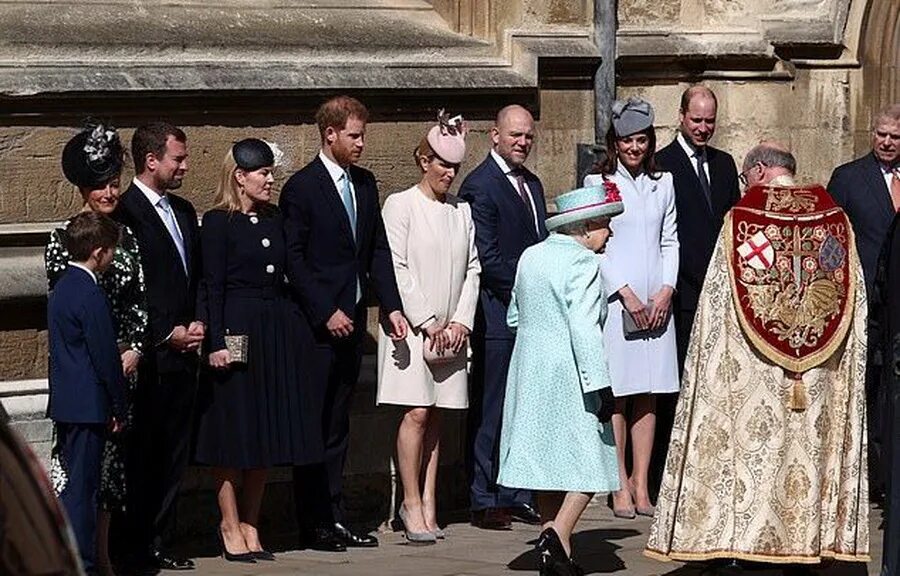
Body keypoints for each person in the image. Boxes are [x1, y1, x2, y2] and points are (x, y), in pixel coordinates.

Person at [646, 149, 869, 569]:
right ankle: (812, 539)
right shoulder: (834, 220)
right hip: (821, 371)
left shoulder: (744, 223)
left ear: (761, 171)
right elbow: (854, 297)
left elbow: (719, 306)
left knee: (755, 454)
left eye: (747, 178)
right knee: (810, 451)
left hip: (756, 369)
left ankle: (748, 539)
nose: (745, 187)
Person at [280, 95, 408, 552]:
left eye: (363, 135)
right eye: (354, 135)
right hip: (316, 329)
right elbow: (293, 258)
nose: (361, 143)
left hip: (352, 323)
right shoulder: (302, 188)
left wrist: (390, 306)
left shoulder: (366, 184)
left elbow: (376, 250)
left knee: (339, 426)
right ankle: (312, 521)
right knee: (313, 427)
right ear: (329, 134)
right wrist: (324, 309)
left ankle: (335, 516)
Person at [193, 139, 323, 563]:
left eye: (271, 172)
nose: (270, 179)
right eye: (263, 173)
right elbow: (211, 285)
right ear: (240, 177)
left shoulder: (273, 219)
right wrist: (215, 343)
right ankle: (229, 523)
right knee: (236, 429)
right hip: (236, 328)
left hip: (272, 330)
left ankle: (252, 522)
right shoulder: (218, 222)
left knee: (264, 429)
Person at [497, 184, 622, 576]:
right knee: (593, 459)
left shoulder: (530, 256)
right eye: (606, 225)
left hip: (530, 369)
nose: (610, 233)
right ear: (584, 228)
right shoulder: (583, 263)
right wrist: (599, 384)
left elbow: (513, 317)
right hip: (570, 369)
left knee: (545, 461)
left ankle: (557, 551)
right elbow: (584, 329)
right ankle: (557, 534)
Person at [45, 123, 147, 576]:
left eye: (113, 183)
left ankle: (104, 553)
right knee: (83, 474)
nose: (109, 192)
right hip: (92, 370)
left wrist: (137, 348)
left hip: (125, 364)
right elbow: (74, 310)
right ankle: (86, 558)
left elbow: (141, 298)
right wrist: (111, 356)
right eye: (100, 185)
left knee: (113, 473)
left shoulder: (128, 236)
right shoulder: (66, 240)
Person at [377, 112, 481, 543]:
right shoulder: (400, 204)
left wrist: (460, 320)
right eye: (441, 164)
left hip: (451, 330)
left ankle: (431, 500)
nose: (448, 173)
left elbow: (473, 269)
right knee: (416, 411)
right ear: (424, 161)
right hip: (413, 328)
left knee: (437, 416)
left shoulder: (462, 211)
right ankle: (410, 502)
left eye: (455, 166)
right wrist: (426, 319)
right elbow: (396, 266)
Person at [113, 122, 203, 571]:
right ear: (152, 161)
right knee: (143, 455)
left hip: (187, 357)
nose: (185, 166)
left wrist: (200, 321)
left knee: (173, 455)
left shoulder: (184, 212)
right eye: (178, 159)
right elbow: (132, 288)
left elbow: (196, 277)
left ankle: (160, 537)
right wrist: (166, 332)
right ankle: (134, 543)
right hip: (150, 357)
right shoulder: (124, 212)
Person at [584, 98, 679, 519]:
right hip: (619, 301)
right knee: (620, 394)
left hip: (657, 303)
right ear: (615, 143)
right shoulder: (599, 182)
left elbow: (670, 240)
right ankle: (618, 482)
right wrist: (624, 292)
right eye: (627, 141)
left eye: (641, 140)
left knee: (649, 393)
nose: (634, 148)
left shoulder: (664, 182)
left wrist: (666, 290)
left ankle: (643, 482)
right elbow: (595, 244)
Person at [460, 104, 546, 530]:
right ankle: (484, 496)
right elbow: (488, 258)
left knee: (523, 408)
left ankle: (517, 493)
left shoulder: (532, 183)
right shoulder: (480, 186)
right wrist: (531, 287)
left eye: (528, 136)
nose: (522, 142)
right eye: (515, 135)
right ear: (495, 135)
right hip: (497, 315)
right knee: (492, 407)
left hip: (531, 316)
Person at [653, 85, 740, 496]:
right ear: (681, 117)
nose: (703, 128)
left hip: (718, 293)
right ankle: (663, 476)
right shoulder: (662, 164)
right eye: (696, 120)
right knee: (674, 387)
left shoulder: (724, 164)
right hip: (681, 295)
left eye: (709, 121)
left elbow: (734, 224)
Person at [47, 211, 127, 576]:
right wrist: (119, 404)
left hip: (67, 402)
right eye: (110, 251)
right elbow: (105, 355)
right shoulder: (90, 293)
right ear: (98, 252)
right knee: (83, 489)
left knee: (71, 483)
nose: (112, 258)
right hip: (89, 405)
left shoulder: (62, 287)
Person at [827, 103, 900, 502]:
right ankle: (867, 478)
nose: (886, 142)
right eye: (881, 134)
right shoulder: (848, 178)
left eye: (894, 137)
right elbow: (832, 241)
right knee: (868, 390)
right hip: (867, 303)